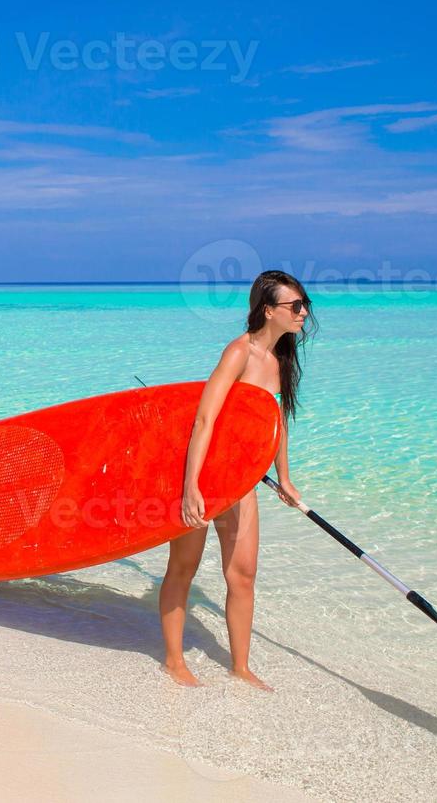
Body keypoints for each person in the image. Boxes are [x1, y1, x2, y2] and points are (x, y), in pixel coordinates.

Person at [159, 269, 315, 689]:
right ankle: (174, 661)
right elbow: (206, 417)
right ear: (268, 310)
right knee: (184, 567)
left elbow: (275, 422)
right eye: (295, 305)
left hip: (240, 479)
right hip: (205, 475)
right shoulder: (239, 352)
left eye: (305, 305)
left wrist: (284, 476)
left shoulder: (281, 361)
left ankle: (240, 666)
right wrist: (191, 485)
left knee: (243, 573)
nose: (303, 312)